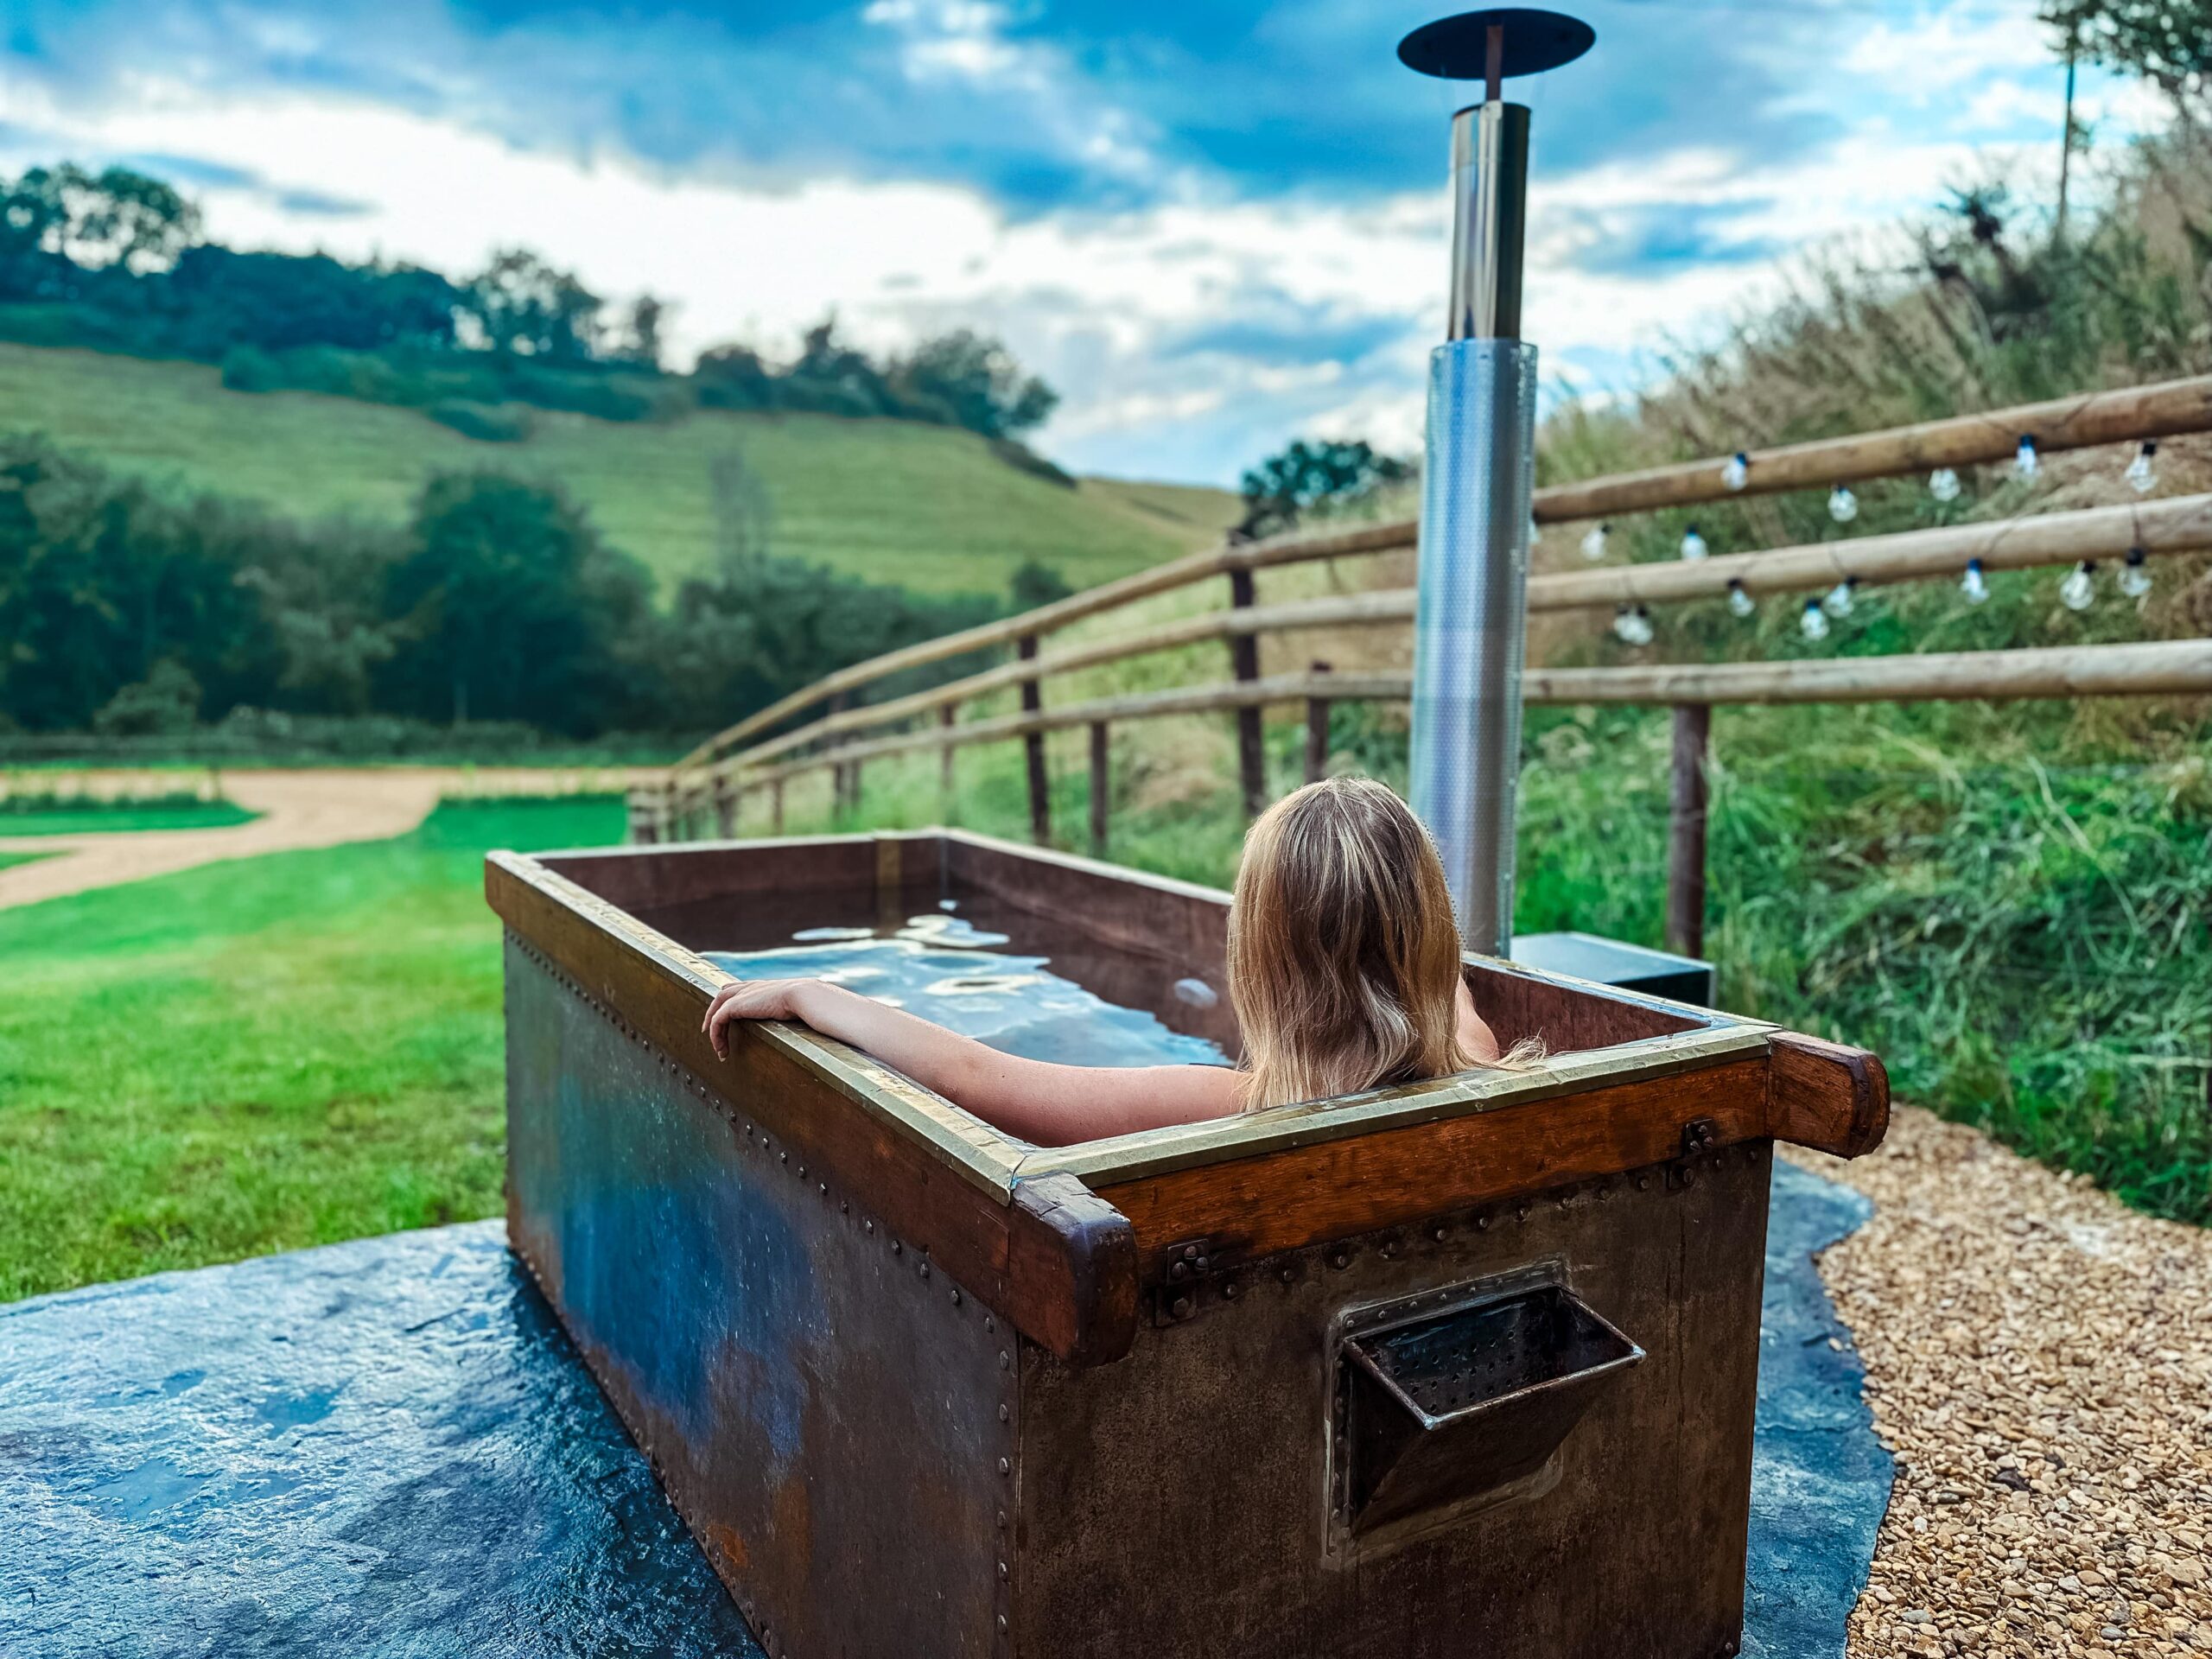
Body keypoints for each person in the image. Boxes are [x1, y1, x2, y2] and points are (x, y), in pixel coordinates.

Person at [702, 777, 1518, 1145]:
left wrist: (817, 994)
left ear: (1260, 954)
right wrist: (1401, 923)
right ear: (1430, 933)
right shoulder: (1482, 1063)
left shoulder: (1233, 1108)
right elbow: (1441, 984)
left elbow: (975, 1080)